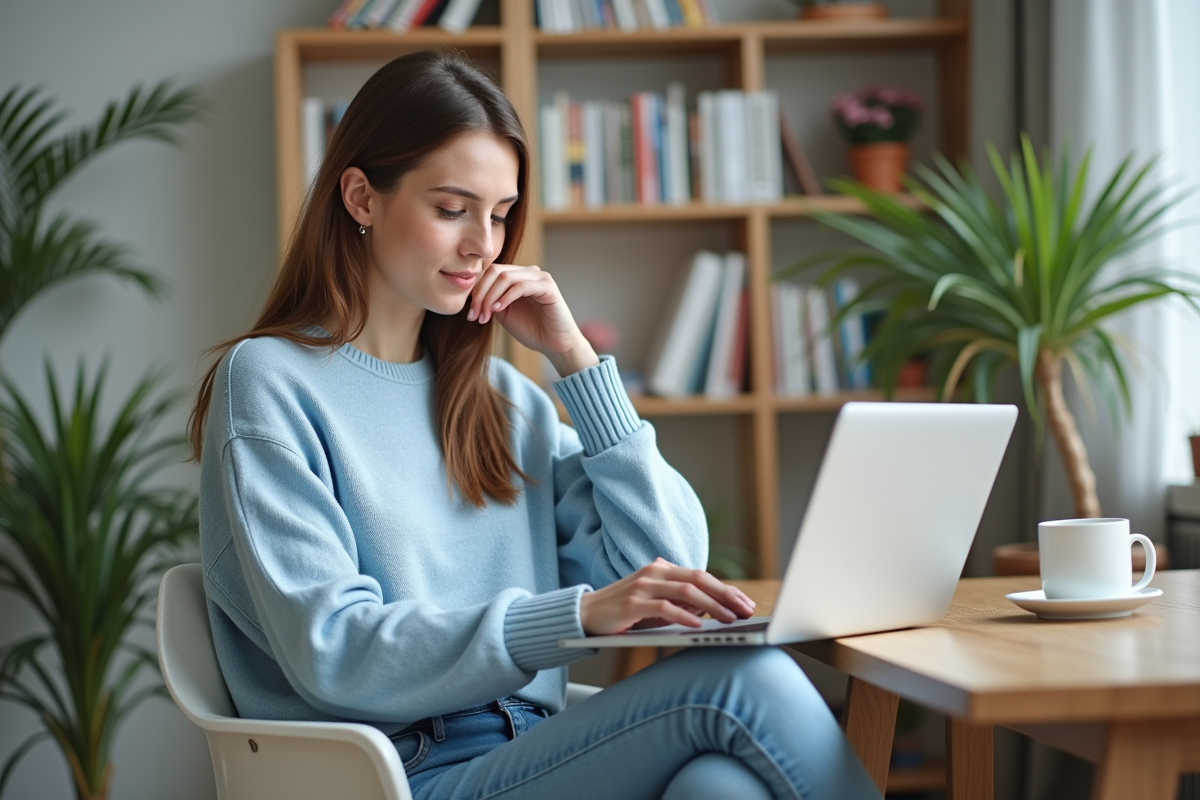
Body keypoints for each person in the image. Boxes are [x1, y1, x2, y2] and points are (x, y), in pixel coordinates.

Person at [189, 49, 881, 800]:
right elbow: (333, 652)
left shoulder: (497, 397)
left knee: (719, 790)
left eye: (500, 214)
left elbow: (670, 565)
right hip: (398, 774)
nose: (483, 244)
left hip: (536, 750)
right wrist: (570, 617)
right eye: (451, 209)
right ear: (361, 197)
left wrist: (576, 361)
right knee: (744, 680)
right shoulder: (270, 382)